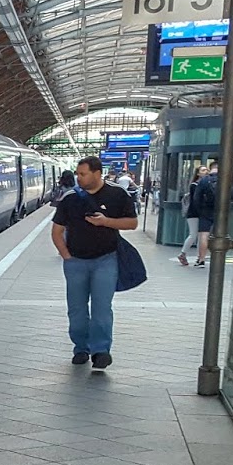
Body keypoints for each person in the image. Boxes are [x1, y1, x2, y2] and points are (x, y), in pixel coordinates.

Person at [52, 156, 138, 369]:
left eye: (83, 174)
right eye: (78, 174)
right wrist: (66, 255)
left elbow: (132, 223)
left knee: (102, 308)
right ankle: (81, 348)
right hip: (75, 262)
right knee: (76, 310)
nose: (78, 178)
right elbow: (57, 231)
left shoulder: (117, 194)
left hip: (105, 260)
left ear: (97, 173)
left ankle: (101, 351)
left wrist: (106, 222)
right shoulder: (70, 198)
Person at [179, 165, 209, 266]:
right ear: (198, 173)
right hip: (194, 213)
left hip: (199, 213)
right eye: (203, 170)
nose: (206, 171)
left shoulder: (202, 184)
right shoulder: (194, 185)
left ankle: (199, 257)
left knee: (200, 236)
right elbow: (197, 200)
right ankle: (183, 253)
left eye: (207, 170)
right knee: (194, 234)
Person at [193, 165, 222, 268]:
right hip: (220, 211)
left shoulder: (204, 180)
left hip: (205, 211)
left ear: (211, 169)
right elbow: (232, 194)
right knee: (220, 235)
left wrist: (200, 210)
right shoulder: (224, 179)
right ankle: (219, 259)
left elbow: (196, 198)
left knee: (204, 235)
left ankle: (201, 259)